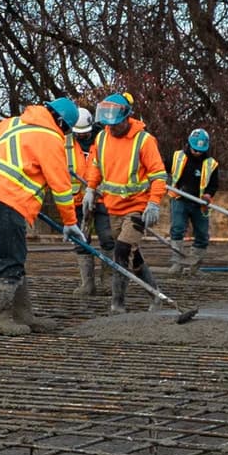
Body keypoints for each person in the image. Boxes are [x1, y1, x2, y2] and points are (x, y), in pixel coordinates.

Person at [0, 95, 86, 337]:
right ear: (62, 123)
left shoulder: (12, 122)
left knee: (13, 255)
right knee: (10, 258)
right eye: (67, 130)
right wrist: (70, 222)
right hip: (6, 198)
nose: (65, 134)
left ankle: (23, 315)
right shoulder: (50, 137)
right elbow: (61, 187)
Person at [78, 92, 160, 306]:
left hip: (137, 207)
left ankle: (117, 304)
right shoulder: (102, 137)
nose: (112, 128)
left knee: (121, 251)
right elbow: (95, 166)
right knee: (133, 254)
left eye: (116, 124)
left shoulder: (144, 141)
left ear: (127, 118)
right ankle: (155, 295)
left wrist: (154, 203)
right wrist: (91, 188)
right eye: (108, 125)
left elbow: (158, 175)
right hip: (113, 207)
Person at [164, 129, 220, 257]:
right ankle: (177, 259)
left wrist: (208, 195)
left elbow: (213, 184)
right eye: (195, 150)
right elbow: (160, 170)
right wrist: (163, 182)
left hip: (200, 203)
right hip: (179, 199)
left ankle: (195, 261)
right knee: (177, 229)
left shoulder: (211, 164)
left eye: (200, 151)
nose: (197, 153)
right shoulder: (176, 157)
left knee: (202, 234)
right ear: (189, 145)